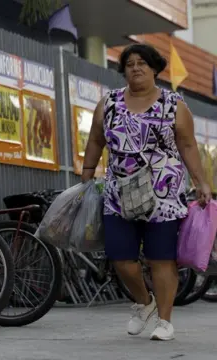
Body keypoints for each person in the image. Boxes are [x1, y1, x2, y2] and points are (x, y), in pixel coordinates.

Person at [81, 43, 212, 341]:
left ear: (154, 68)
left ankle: (165, 320)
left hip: (163, 195)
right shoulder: (109, 103)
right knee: (120, 257)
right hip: (119, 193)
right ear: (123, 70)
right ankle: (144, 303)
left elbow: (188, 146)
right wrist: (87, 174)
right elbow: (95, 140)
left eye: (142, 63)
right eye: (129, 64)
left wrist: (201, 181)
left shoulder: (173, 104)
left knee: (161, 259)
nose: (136, 68)